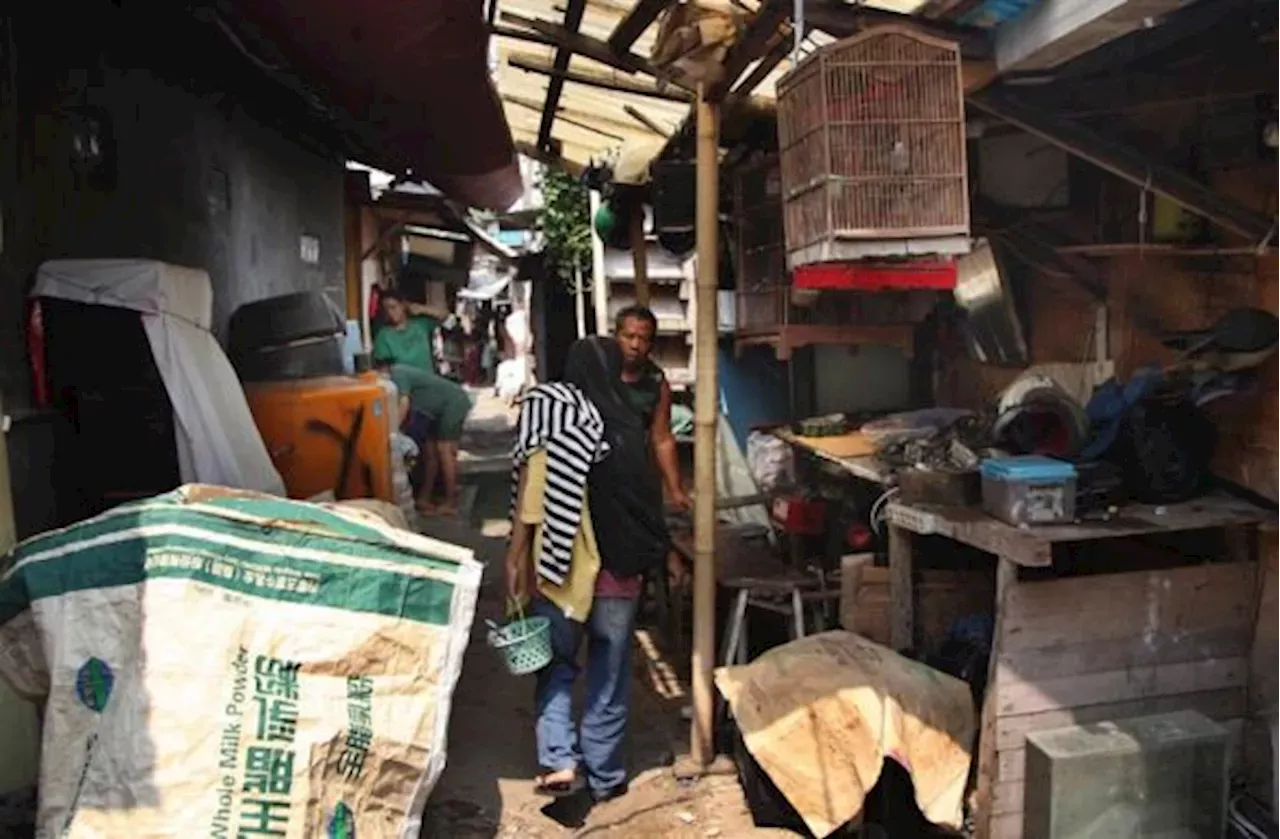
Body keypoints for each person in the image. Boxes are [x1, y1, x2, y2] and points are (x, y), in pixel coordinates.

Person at [506, 322, 689, 805]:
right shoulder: (628, 430)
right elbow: (648, 505)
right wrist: (664, 549)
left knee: (557, 666)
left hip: (560, 570)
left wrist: (517, 557)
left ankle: (560, 759)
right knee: (610, 670)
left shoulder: (551, 416)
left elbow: (532, 497)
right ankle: (605, 773)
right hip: (619, 575)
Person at [378, 361, 473, 516]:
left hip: (453, 403)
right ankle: (424, 498)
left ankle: (451, 502)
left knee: (445, 451)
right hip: (433, 411)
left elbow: (404, 402)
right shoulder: (395, 379)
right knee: (430, 456)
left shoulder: (397, 372)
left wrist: (393, 431)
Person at [372, 289, 448, 374]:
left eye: (393, 307)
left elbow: (444, 315)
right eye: (386, 310)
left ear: (403, 305)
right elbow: (383, 368)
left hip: (428, 381)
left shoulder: (420, 324)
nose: (390, 312)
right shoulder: (384, 335)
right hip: (404, 384)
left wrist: (421, 308)